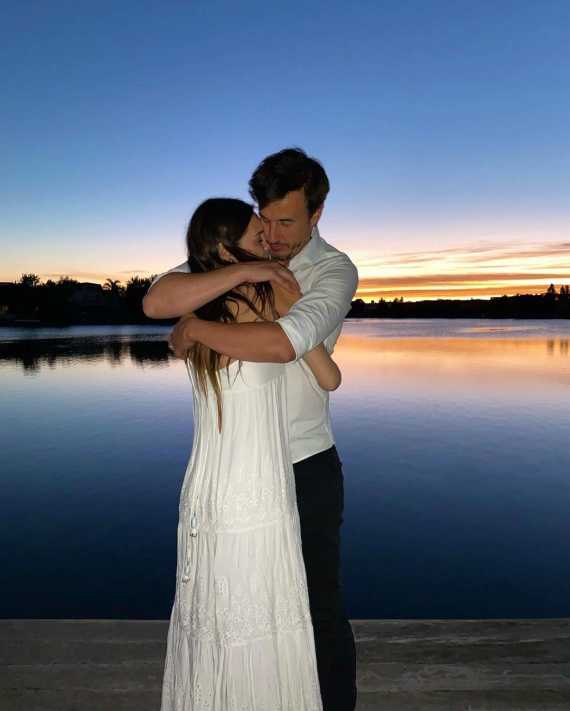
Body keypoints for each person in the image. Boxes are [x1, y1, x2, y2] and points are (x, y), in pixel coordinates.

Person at [144, 148, 359, 711]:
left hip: (304, 462)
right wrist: (242, 270)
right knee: (236, 600)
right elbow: (157, 299)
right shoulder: (243, 259)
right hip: (237, 468)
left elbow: (288, 344)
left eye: (286, 222)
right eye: (265, 221)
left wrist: (196, 329)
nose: (273, 236)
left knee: (317, 605)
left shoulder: (334, 272)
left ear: (317, 214)